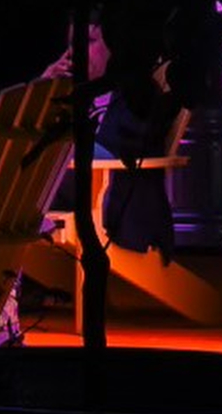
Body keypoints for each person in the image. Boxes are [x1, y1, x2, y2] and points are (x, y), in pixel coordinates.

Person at [40, 20, 181, 261]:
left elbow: (122, 151)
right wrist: (43, 88)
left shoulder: (136, 93)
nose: (75, 51)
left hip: (120, 202)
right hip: (74, 195)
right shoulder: (69, 93)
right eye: (72, 43)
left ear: (114, 47)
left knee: (48, 148)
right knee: (21, 149)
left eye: (89, 41)